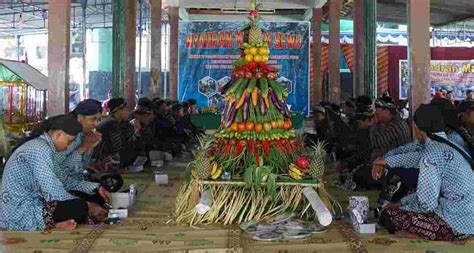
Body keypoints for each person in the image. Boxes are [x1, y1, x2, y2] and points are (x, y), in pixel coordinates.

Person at [377, 105, 474, 241]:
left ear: (417, 128)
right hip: (469, 218)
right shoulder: (449, 144)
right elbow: (415, 157)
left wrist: (401, 206)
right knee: (406, 199)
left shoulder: (432, 153)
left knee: (388, 215)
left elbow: (427, 205)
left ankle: (423, 235)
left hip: (456, 225)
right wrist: (400, 202)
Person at [0, 114, 107, 231]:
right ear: (58, 134)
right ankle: (51, 224)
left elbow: (63, 180)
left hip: (34, 204)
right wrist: (88, 206)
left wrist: (96, 188)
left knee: (92, 198)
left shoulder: (45, 148)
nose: (69, 147)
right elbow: (54, 191)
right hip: (18, 213)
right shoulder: (40, 149)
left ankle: (56, 222)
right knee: (79, 207)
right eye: (70, 141)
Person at [90, 98, 139, 173]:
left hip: (98, 158)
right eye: (126, 109)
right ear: (118, 110)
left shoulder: (114, 121)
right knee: (134, 148)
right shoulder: (112, 123)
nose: (128, 112)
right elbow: (118, 147)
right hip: (101, 160)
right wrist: (137, 132)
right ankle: (117, 169)